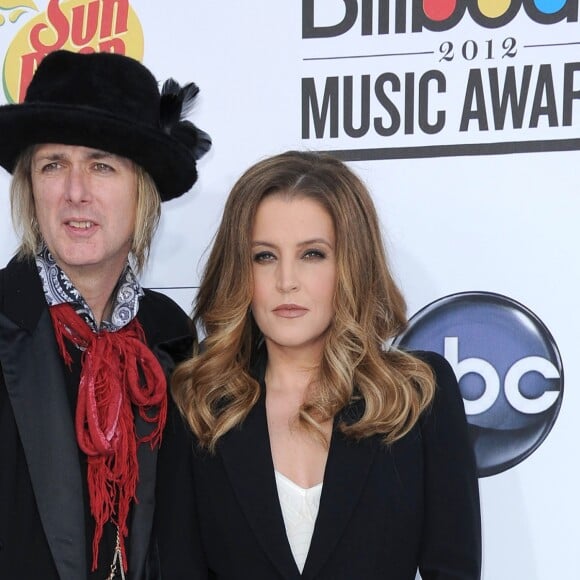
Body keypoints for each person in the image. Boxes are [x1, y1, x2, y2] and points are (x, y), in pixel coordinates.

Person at [156, 151, 481, 579]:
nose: (286, 280)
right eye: (264, 256)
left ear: (351, 264)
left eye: (312, 254)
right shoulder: (198, 405)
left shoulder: (418, 396)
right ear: (240, 270)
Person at [0, 49, 210, 579]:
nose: (75, 192)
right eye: (53, 165)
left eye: (100, 165)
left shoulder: (174, 340)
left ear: (142, 192)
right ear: (30, 188)